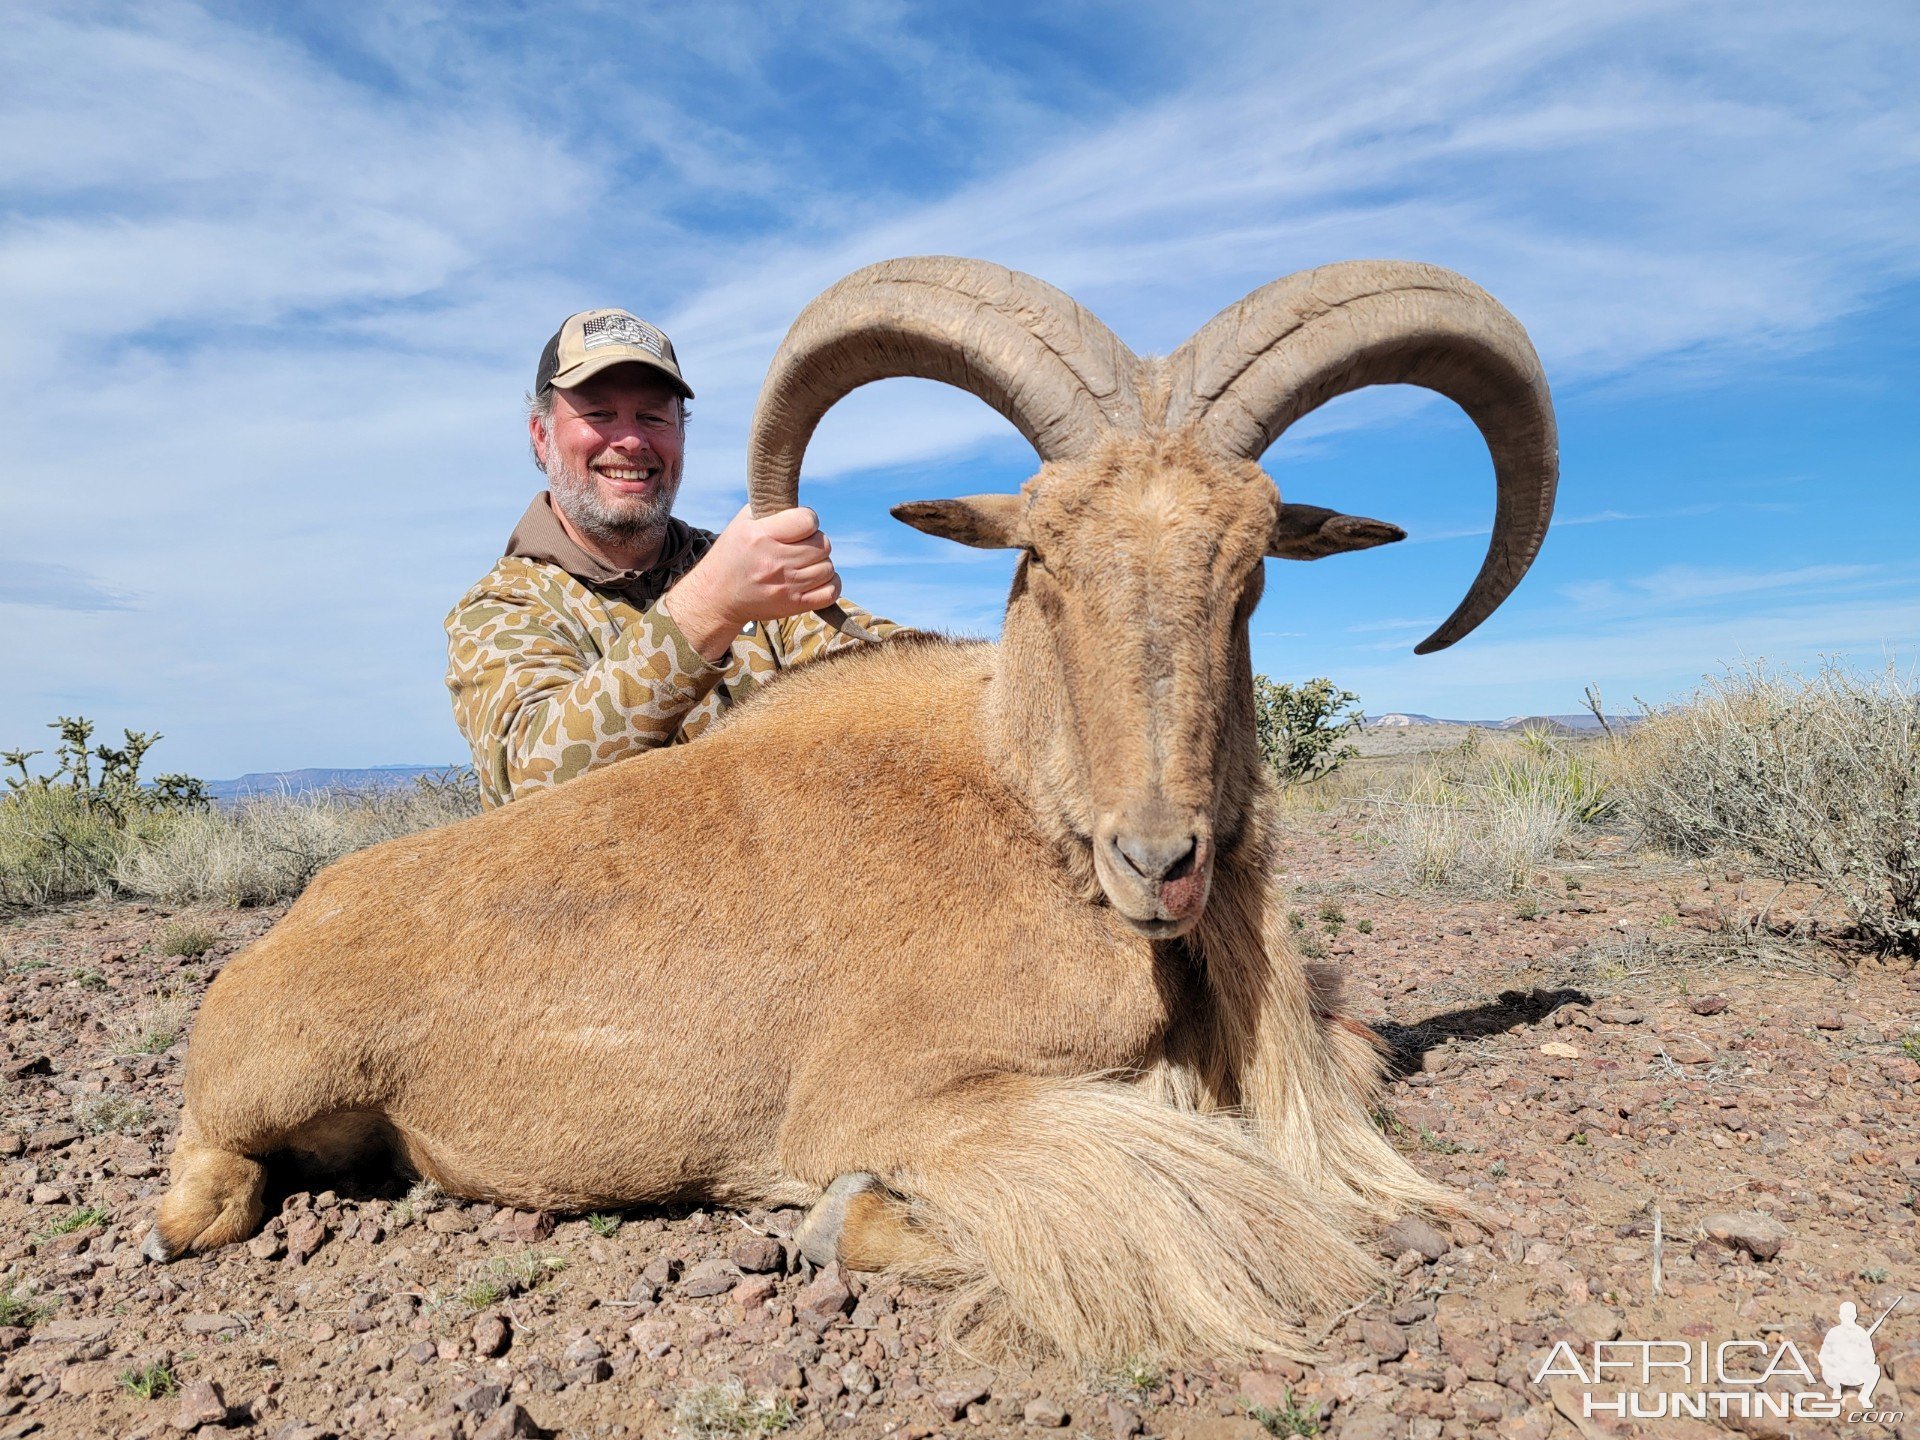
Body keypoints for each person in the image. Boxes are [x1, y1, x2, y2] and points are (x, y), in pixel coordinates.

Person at [446, 308, 898, 806]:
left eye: (654, 417)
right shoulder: (502, 608)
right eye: (598, 414)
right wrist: (713, 605)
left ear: (681, 434)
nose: (632, 440)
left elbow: (881, 668)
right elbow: (532, 781)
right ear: (541, 434)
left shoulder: (739, 565)